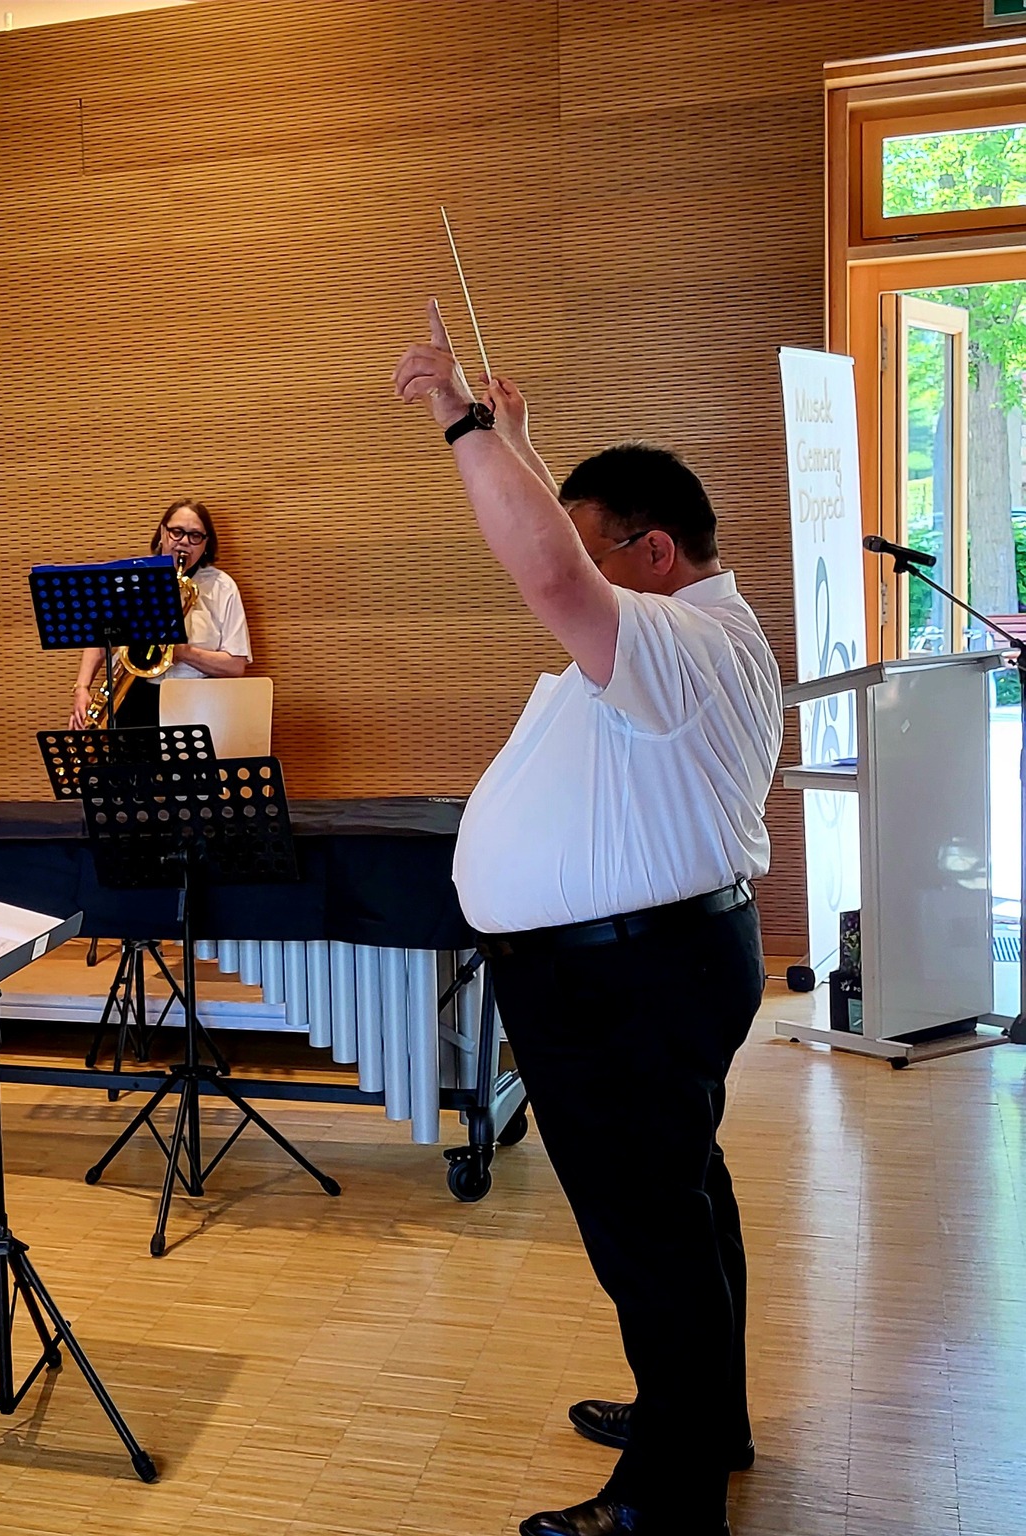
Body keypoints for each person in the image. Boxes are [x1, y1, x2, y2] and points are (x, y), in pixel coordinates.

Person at [394, 303, 777, 1536]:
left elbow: (550, 572)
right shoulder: (696, 635)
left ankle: (668, 1503)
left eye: (595, 544)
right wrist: (516, 439)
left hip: (625, 980)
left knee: (646, 1235)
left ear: (653, 552)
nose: (570, 577)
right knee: (680, 1202)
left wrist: (460, 422)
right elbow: (568, 562)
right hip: (651, 965)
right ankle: (698, 1420)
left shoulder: (678, 638)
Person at [69, 498, 252, 730]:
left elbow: (235, 666)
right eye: (177, 532)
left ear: (206, 543)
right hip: (134, 695)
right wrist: (82, 688)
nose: (184, 541)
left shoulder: (222, 587)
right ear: (163, 533)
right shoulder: (133, 579)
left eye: (195, 536)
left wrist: (183, 652)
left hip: (196, 701)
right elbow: (99, 640)